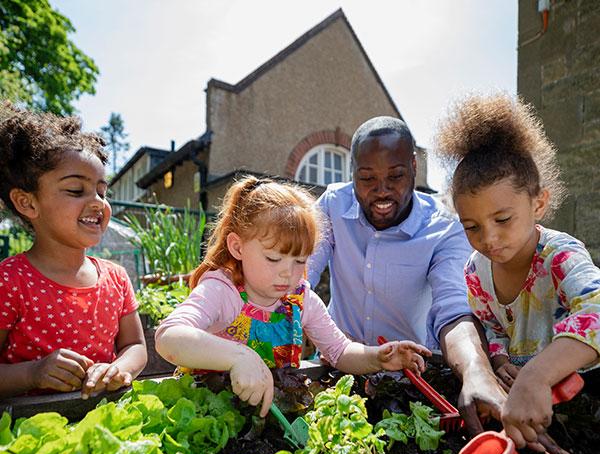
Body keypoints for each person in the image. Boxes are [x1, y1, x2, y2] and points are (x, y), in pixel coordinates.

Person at [155, 176, 431, 417]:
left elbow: (339, 351)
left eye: (300, 260)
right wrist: (239, 357)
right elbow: (169, 336)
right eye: (273, 258)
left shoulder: (300, 299)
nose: (288, 274)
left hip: (270, 419)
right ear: (237, 247)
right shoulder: (223, 291)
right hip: (208, 416)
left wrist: (378, 358)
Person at [307, 116, 505, 435]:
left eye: (396, 176)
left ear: (413, 166)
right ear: (352, 172)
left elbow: (453, 312)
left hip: (408, 384)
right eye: (367, 178)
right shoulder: (332, 205)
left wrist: (476, 371)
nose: (381, 191)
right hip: (337, 371)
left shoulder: (443, 226)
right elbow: (298, 276)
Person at [435, 93, 600, 453]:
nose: (488, 238)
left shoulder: (560, 256)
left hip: (585, 396)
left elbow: (596, 313)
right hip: (524, 401)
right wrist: (500, 360)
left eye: (503, 220)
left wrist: (537, 375)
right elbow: (491, 325)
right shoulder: (476, 272)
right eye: (471, 227)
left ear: (538, 203)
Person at [0, 104, 147, 399]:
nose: (97, 203)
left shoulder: (116, 278)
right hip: (30, 435)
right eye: (76, 191)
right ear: (27, 203)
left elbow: (136, 347)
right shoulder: (10, 281)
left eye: (102, 192)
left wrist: (119, 369)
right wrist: (34, 372)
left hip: (106, 427)